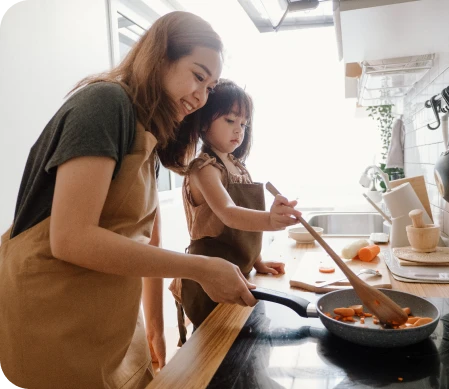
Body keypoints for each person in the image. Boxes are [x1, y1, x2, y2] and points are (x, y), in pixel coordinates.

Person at [0, 11, 271, 389]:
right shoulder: (105, 105)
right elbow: (71, 238)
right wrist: (202, 268)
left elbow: (145, 242)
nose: (200, 96)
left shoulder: (148, 132)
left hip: (107, 321)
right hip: (53, 320)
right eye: (197, 75)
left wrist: (155, 330)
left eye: (209, 86)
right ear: (160, 57)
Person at [169, 80, 301, 343]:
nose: (238, 131)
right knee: (211, 345)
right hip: (208, 279)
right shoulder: (204, 168)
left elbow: (241, 231)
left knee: (239, 343)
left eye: (243, 124)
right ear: (205, 123)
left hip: (238, 274)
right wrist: (271, 220)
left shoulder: (238, 166)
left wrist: (257, 260)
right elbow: (229, 213)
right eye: (230, 120)